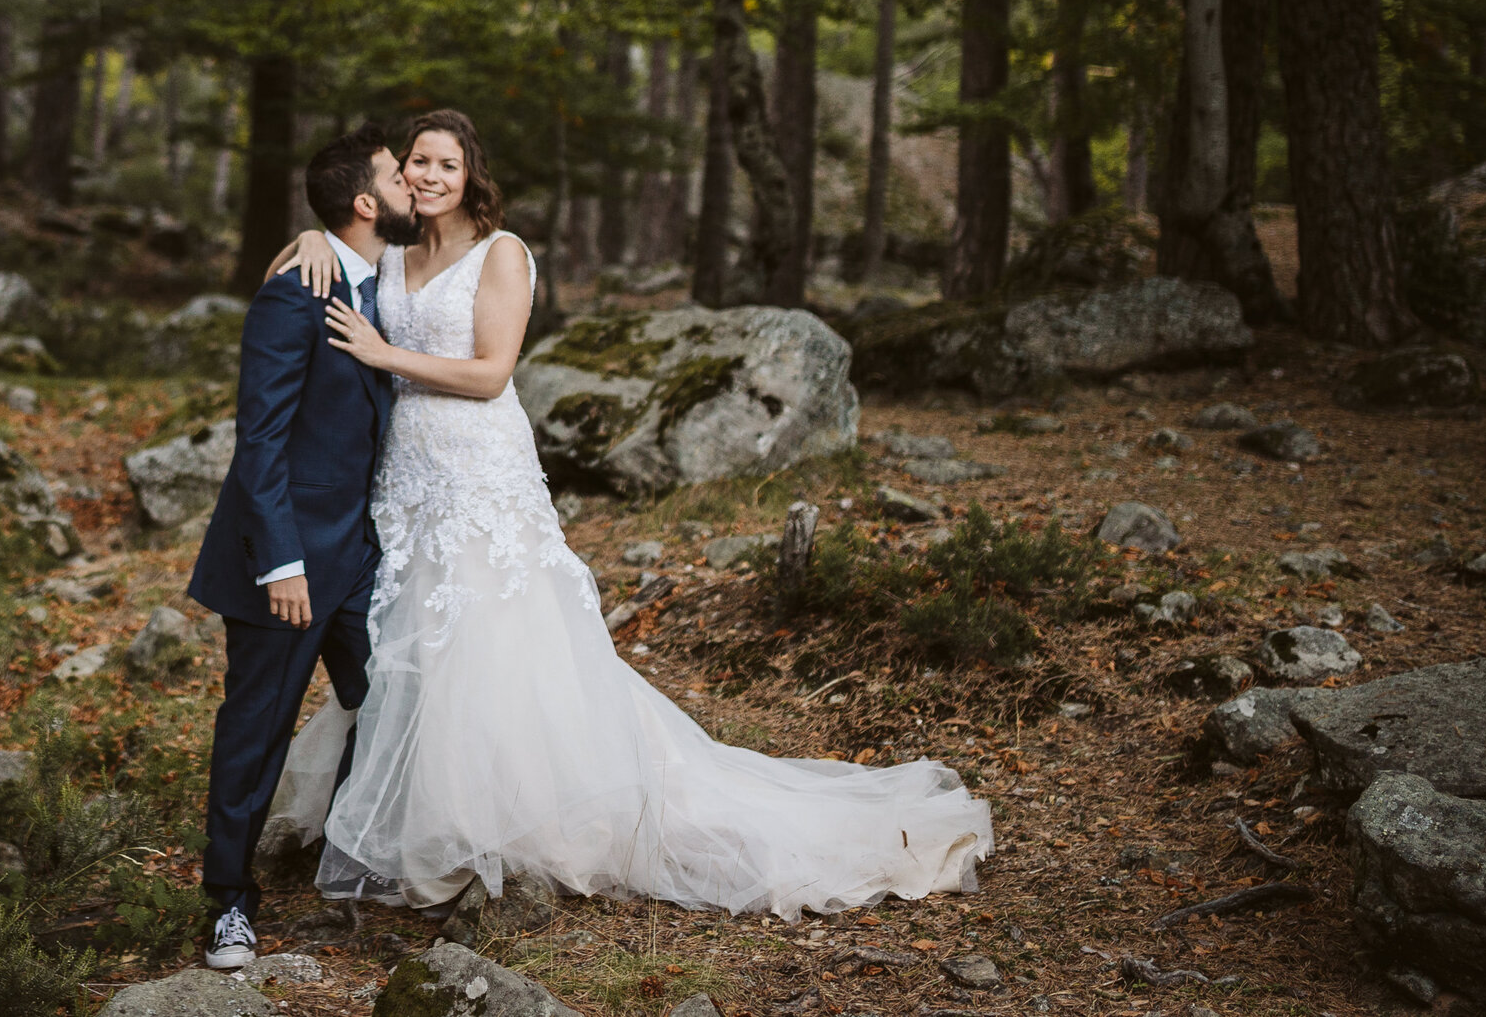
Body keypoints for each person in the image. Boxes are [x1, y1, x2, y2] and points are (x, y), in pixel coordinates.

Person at [261, 108, 992, 920]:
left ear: (472, 175)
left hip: (478, 473)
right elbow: (334, 251)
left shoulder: (501, 254)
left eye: (446, 164)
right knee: (419, 645)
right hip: (405, 478)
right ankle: (427, 820)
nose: (429, 177)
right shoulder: (393, 249)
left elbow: (492, 372)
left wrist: (382, 352)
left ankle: (509, 825)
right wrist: (315, 238)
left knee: (492, 643)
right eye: (416, 163)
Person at [184, 122, 422, 968]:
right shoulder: (295, 292)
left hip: (357, 556)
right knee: (256, 731)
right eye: (400, 176)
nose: (413, 187)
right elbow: (261, 439)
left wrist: (320, 230)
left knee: (399, 697)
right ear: (367, 202)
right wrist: (281, 561)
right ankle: (227, 903)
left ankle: (349, 849)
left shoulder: (372, 271)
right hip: (280, 565)